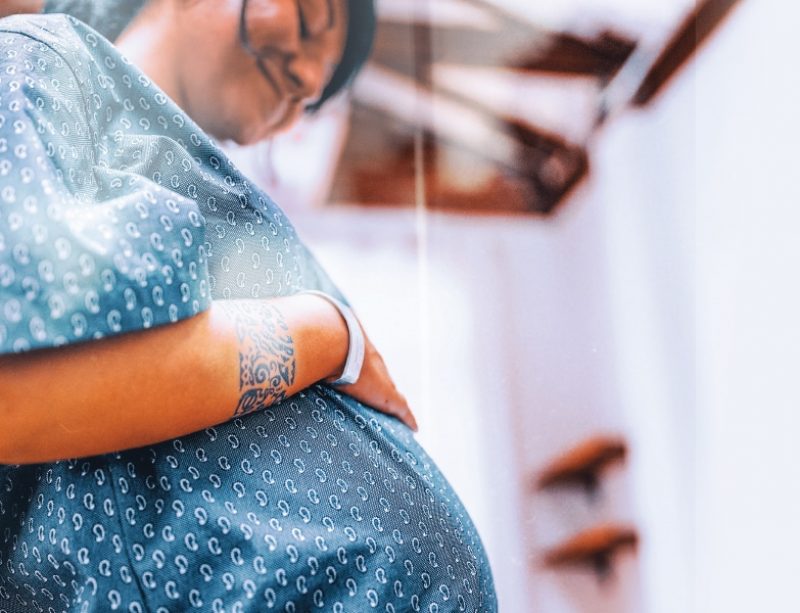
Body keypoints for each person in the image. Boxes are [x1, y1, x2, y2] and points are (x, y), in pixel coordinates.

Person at [0, 1, 498, 612]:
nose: (308, 80)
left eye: (320, 90)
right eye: (310, 18)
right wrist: (330, 336)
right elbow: (14, 400)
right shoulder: (42, 61)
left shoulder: (217, 191)